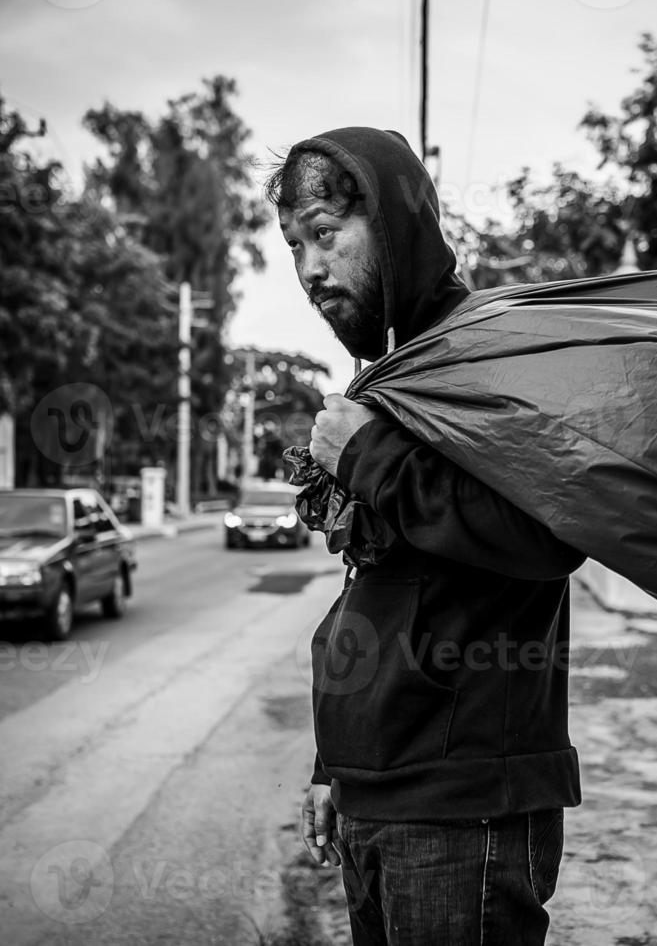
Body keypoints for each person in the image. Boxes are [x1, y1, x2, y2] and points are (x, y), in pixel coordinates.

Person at [268, 127, 587, 945]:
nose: (308, 268)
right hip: (377, 797)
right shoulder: (390, 374)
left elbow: (545, 535)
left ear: (392, 221)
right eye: (294, 244)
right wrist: (331, 768)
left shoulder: (486, 358)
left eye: (326, 232)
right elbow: (369, 592)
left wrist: (366, 455)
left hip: (461, 812)